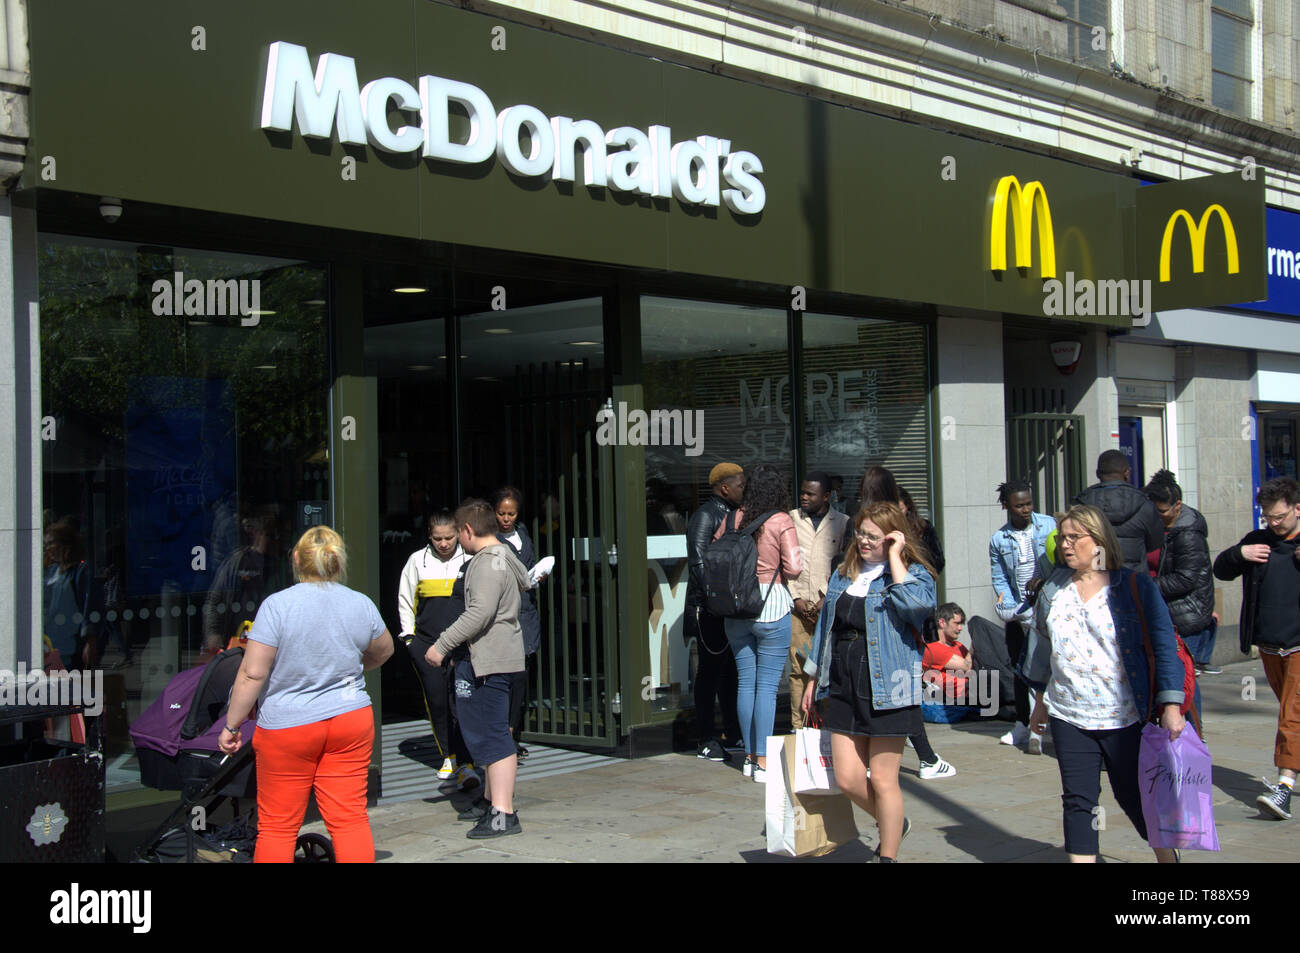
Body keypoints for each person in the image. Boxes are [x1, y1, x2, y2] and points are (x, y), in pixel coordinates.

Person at [218, 526, 394, 863]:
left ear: (296, 559)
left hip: (288, 726)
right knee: (349, 819)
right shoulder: (361, 603)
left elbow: (252, 673)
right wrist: (348, 670)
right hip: (350, 719)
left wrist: (231, 725)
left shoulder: (277, 606)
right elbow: (384, 651)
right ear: (338, 561)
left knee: (278, 827)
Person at [1024, 505, 1185, 863]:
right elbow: (1041, 650)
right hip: (1068, 715)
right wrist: (1040, 703)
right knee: (1078, 801)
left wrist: (1171, 706)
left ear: (1098, 541)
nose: (1065, 545)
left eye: (1074, 538)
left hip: (1123, 716)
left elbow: (1164, 645)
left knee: (1134, 795)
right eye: (1062, 538)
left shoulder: (1133, 586)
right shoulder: (1053, 589)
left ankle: (1167, 857)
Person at [802, 502, 937, 861]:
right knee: (847, 777)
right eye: (861, 533)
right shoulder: (844, 572)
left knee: (882, 778)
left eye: (874, 537)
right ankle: (894, 822)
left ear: (893, 538)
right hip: (843, 681)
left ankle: (887, 855)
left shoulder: (913, 575)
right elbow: (825, 629)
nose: (863, 541)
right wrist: (813, 678)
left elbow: (916, 609)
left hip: (889, 685)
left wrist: (894, 558)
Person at [428, 499, 532, 838]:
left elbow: (479, 612)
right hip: (495, 657)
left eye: (458, 533)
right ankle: (492, 802)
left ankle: (502, 814)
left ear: (468, 530)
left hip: (489, 661)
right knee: (492, 733)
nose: (458, 540)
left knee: (493, 736)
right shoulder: (503, 557)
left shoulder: (487, 563)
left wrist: (441, 645)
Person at [1213, 476, 1300, 820]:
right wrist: (1240, 553)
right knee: (1292, 713)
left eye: (1280, 516)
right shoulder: (1258, 541)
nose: (1274, 523)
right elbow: (1221, 569)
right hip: (1269, 646)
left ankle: (1284, 788)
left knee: (1291, 716)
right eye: (1269, 517)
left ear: (1297, 508)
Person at [858, 466, 951, 778]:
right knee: (902, 690)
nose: (865, 540)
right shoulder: (908, 527)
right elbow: (935, 565)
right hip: (896, 624)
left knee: (897, 690)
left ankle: (921, 757)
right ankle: (924, 758)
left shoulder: (862, 525)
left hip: (885, 618)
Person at [712, 463, 803, 781]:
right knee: (766, 687)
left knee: (746, 683)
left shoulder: (731, 518)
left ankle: (749, 757)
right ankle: (763, 760)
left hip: (736, 607)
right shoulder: (781, 520)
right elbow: (794, 568)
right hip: (771, 604)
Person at [397, 510, 476, 788]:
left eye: (449, 538)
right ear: (429, 537)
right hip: (426, 643)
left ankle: (466, 760)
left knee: (461, 702)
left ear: (458, 534)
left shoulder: (469, 559)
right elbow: (406, 599)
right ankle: (448, 755)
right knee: (437, 701)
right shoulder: (416, 560)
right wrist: (409, 639)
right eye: (437, 538)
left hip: (461, 644)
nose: (443, 544)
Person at [685, 462, 747, 761]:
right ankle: (705, 737)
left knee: (732, 671)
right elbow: (698, 563)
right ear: (724, 488)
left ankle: (733, 731)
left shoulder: (737, 514)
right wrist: (719, 596)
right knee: (709, 672)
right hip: (709, 607)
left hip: (730, 607)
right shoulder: (705, 516)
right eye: (740, 485)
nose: (744, 490)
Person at [989, 479, 1055, 752]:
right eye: (1019, 506)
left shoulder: (1049, 526)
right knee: (1020, 667)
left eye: (1029, 503)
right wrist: (1012, 608)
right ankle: (1022, 724)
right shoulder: (998, 540)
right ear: (1007, 506)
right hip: (1020, 610)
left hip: (1048, 605)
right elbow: (1000, 577)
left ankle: (1050, 722)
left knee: (1051, 666)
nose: (1026, 510)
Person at [787, 472, 852, 733]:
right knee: (798, 669)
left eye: (810, 494)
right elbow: (784, 562)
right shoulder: (791, 520)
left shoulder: (843, 522)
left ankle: (827, 727)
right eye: (802, 492)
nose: (804, 497)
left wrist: (827, 595)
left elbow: (845, 564)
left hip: (829, 607)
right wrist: (796, 597)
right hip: (798, 606)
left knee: (827, 668)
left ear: (826, 496)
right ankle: (798, 727)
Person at [1144, 470, 1218, 676]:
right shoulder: (1153, 528)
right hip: (1160, 610)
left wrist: (1145, 585)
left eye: (1162, 511)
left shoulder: (1188, 534)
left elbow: (1185, 579)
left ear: (1177, 506)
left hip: (1183, 616)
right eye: (1153, 510)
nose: (1157, 516)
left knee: (1180, 679)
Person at [491, 486, 546, 760]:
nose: (506, 518)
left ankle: (513, 733)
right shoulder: (492, 541)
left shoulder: (523, 534)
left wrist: (537, 576)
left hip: (527, 611)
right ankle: (505, 737)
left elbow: (530, 565)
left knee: (522, 677)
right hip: (506, 613)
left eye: (511, 514)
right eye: (501, 513)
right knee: (507, 677)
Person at [1073, 449, 1164, 573]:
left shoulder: (1081, 504)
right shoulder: (1144, 504)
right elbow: (1155, 542)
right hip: (1134, 578)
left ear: (1098, 474)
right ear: (1126, 472)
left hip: (1095, 576)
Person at [42, 518, 103, 671]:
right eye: (45, 545)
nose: (48, 549)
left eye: (51, 543)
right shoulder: (50, 572)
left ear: (65, 544)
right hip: (50, 647)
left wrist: (90, 641)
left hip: (70, 650)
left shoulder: (80, 572)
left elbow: (91, 607)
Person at [923, 603, 971, 703]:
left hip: (972, 692)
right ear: (942, 623)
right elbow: (967, 666)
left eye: (961, 624)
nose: (960, 628)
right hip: (955, 700)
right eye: (956, 623)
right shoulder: (932, 649)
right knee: (978, 623)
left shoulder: (958, 645)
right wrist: (976, 644)